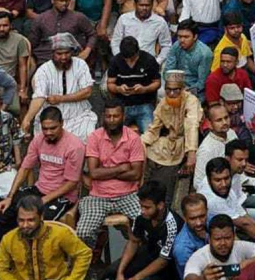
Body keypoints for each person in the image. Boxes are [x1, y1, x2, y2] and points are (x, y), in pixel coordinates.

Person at [75, 97, 145, 243]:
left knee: (146, 226)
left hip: (128, 194)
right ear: (103, 117)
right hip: (98, 196)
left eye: (116, 116)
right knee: (83, 232)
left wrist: (105, 172)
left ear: (123, 117)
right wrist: (121, 168)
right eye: (108, 116)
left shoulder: (133, 138)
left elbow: (136, 174)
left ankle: (137, 259)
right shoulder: (95, 137)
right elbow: (93, 173)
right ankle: (93, 263)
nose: (112, 120)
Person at [140, 70, 202, 207]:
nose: (172, 94)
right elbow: (154, 129)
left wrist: (191, 152)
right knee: (145, 155)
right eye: (168, 90)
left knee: (165, 178)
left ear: (183, 89)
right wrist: (139, 143)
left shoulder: (191, 101)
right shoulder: (164, 102)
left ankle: (163, 205)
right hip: (166, 142)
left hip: (184, 144)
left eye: (176, 90)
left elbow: (191, 126)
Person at [0, 195, 93, 280]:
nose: (25, 225)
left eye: (30, 220)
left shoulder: (60, 233)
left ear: (41, 217)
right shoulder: (8, 239)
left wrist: (72, 278)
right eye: (21, 220)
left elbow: (84, 253)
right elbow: (0, 269)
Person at [116, 181, 180, 280]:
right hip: (150, 253)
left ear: (160, 205)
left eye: (147, 207)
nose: (142, 211)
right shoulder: (141, 215)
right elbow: (134, 241)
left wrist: (136, 278)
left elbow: (163, 261)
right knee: (111, 273)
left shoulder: (172, 224)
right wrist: (120, 272)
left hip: (169, 266)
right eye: (141, 206)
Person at [180, 213, 255, 280]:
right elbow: (190, 277)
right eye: (217, 239)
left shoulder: (241, 246)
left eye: (227, 238)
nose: (223, 243)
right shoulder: (198, 257)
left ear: (234, 236)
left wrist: (243, 265)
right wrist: (202, 278)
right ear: (209, 239)